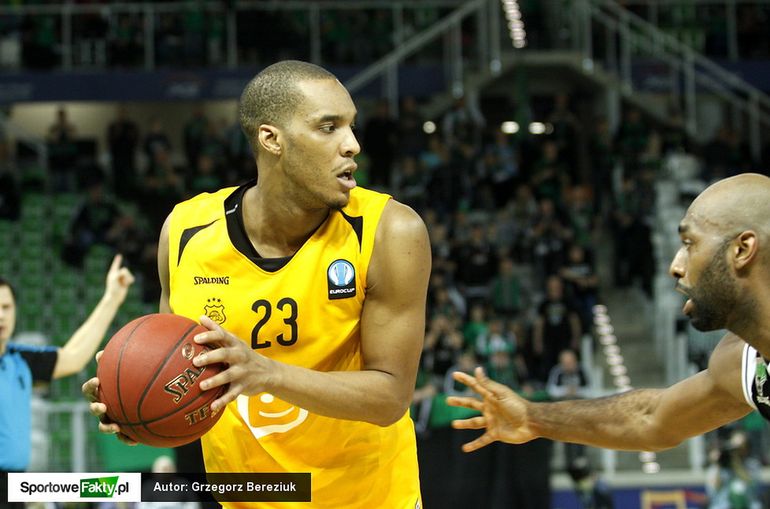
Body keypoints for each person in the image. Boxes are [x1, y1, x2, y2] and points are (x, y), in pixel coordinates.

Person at [84, 60, 431, 509]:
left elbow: (390, 398)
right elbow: (188, 377)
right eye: (329, 127)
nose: (353, 144)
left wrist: (267, 372)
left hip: (368, 500)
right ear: (271, 139)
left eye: (351, 126)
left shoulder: (390, 231)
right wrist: (137, 408)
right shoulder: (185, 231)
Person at [446, 173, 770, 458]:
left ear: (742, 249)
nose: (676, 266)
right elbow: (650, 419)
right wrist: (533, 417)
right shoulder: (743, 360)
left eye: (690, 243)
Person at [1, 255, 133, 506]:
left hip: (15, 487)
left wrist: (112, 298)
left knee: (115, 488)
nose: (1, 315)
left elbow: (73, 357)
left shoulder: (20, 359)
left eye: (6, 307)